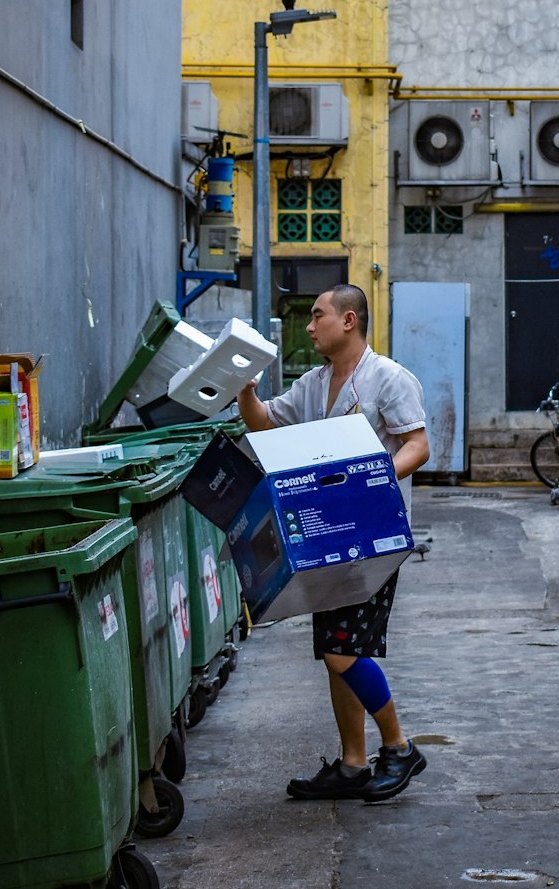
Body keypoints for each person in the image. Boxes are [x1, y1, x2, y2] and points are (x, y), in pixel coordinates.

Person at [237, 283, 430, 803]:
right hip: (327, 538)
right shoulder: (313, 385)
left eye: (317, 315)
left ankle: (399, 746)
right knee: (334, 649)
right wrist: (244, 391)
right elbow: (264, 423)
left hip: (374, 537)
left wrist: (372, 482)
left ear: (348, 320)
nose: (309, 324)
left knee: (344, 650)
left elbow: (418, 444)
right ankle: (352, 764)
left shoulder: (387, 378)